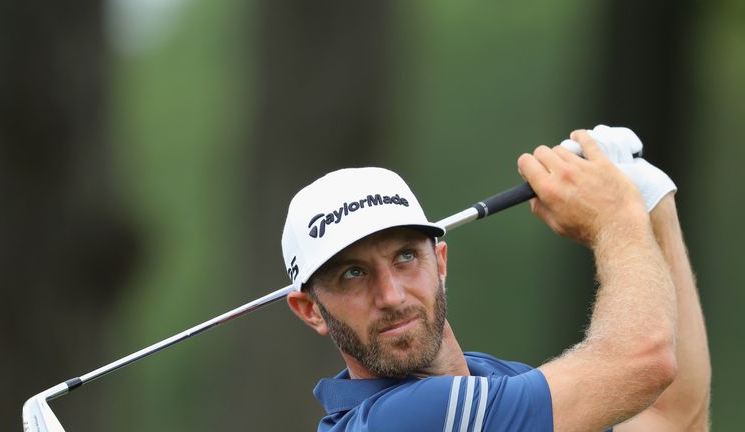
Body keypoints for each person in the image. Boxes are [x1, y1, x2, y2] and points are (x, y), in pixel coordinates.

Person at [282, 126, 711, 431]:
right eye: (353, 274)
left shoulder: (492, 379)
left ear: (441, 262)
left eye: (406, 256)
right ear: (310, 310)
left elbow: (672, 420)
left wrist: (653, 203)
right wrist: (616, 219)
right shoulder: (400, 419)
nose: (391, 295)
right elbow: (645, 361)